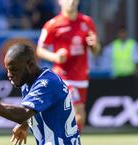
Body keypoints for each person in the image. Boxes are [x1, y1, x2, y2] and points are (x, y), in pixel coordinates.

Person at [36, 0, 101, 131]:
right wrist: (55, 57)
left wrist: (95, 45)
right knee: (79, 115)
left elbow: (96, 50)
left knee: (73, 117)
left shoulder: (87, 22)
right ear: (60, 2)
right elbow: (39, 50)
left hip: (81, 76)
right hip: (63, 76)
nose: (71, 2)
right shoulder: (52, 24)